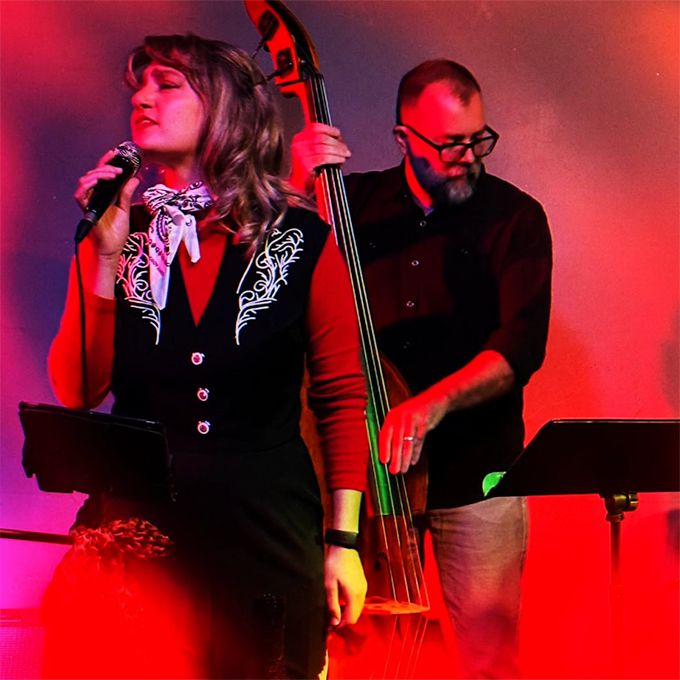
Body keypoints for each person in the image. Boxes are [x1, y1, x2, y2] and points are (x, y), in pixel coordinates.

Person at [46, 33, 369, 679]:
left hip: (265, 526)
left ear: (223, 107)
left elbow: (341, 395)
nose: (142, 98)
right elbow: (79, 390)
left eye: (167, 85)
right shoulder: (120, 232)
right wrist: (103, 255)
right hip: (144, 534)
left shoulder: (301, 236)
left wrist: (343, 542)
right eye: (139, 86)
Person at [290, 59, 552, 678]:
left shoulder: (515, 218)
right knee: (359, 651)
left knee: (488, 659)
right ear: (404, 138)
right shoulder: (350, 205)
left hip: (475, 472)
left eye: (479, 140)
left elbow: (520, 347)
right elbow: (279, 282)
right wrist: (299, 187)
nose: (469, 157)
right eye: (451, 144)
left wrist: (429, 405)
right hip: (372, 481)